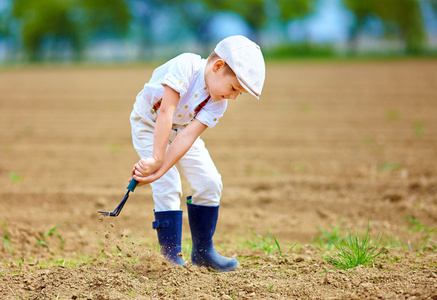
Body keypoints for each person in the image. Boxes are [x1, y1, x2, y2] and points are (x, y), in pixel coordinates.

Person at [129, 35, 265, 272]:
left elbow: (186, 137)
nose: (233, 97)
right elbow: (165, 113)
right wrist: (157, 162)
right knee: (168, 184)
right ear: (218, 66)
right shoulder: (186, 66)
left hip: (180, 130)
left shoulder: (217, 103)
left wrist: (156, 170)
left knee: (210, 182)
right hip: (149, 123)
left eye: (239, 94)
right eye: (233, 88)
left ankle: (203, 252)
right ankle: (170, 258)